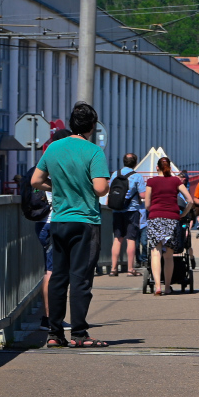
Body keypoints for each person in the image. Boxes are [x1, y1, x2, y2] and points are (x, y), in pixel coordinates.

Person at [30, 103, 110, 348]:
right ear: (92, 126)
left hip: (59, 221)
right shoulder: (93, 151)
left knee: (58, 277)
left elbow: (36, 180)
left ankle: (54, 334)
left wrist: (59, 187)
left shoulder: (54, 147)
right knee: (81, 279)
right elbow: (100, 188)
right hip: (85, 221)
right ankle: (80, 334)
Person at [142, 157, 194, 295]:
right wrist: (183, 214)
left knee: (155, 253)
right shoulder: (176, 181)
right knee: (169, 255)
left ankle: (158, 286)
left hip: (155, 218)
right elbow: (190, 200)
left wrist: (153, 209)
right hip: (172, 218)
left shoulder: (151, 182)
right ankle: (167, 287)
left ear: (157, 167)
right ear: (170, 167)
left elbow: (147, 204)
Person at [107, 153, 145, 277]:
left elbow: (110, 190)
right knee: (131, 239)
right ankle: (130, 269)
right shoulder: (137, 176)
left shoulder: (115, 174)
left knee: (117, 239)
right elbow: (143, 195)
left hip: (117, 210)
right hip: (131, 210)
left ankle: (113, 269)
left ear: (124, 162)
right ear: (135, 163)